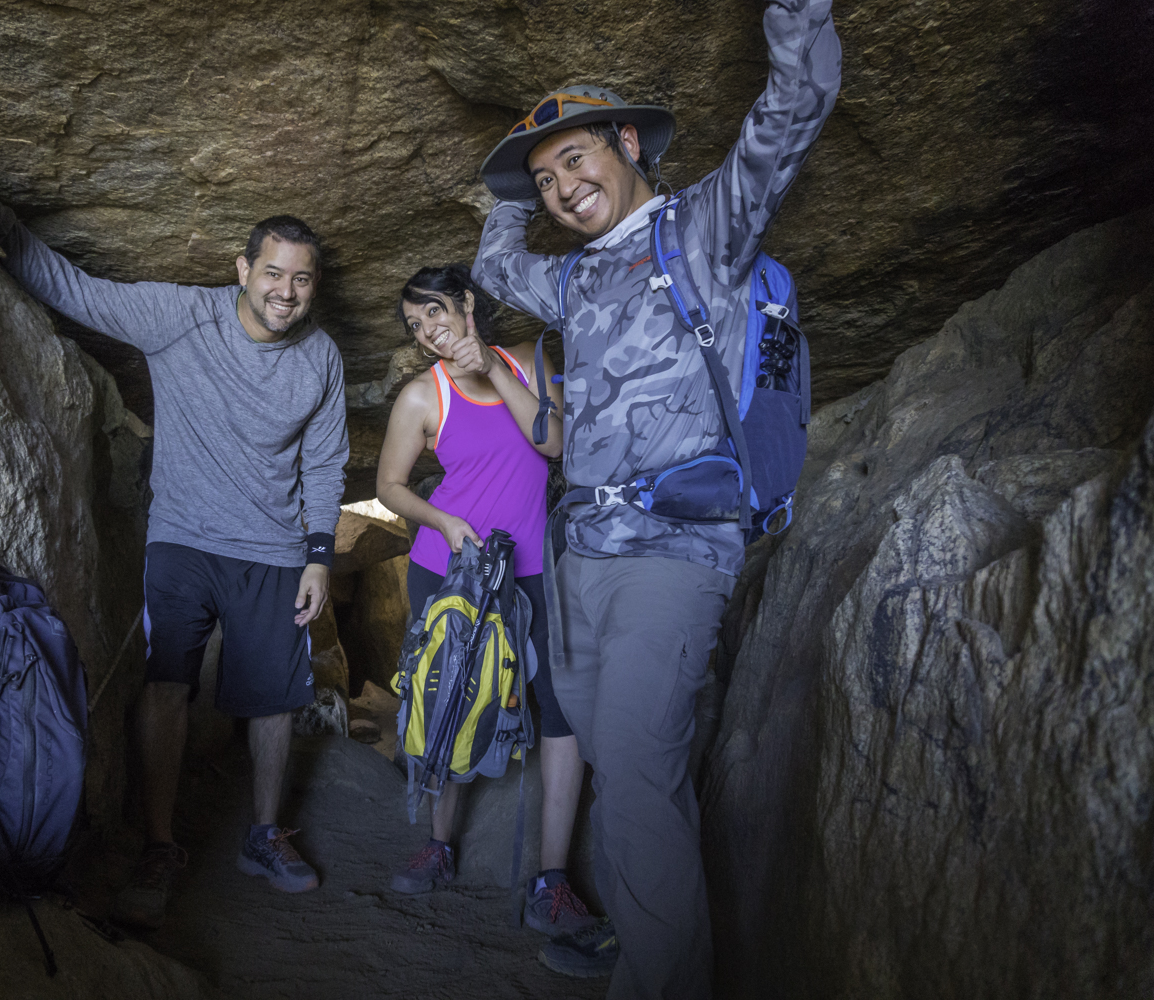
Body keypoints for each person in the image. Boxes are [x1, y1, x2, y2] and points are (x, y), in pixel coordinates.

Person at [470, 1, 841, 994]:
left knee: (634, 772)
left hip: (674, 553)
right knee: (615, 759)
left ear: (628, 144)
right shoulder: (576, 280)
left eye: (577, 159)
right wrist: (507, 182)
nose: (561, 187)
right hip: (583, 562)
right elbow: (493, 266)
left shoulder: (702, 229)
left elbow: (796, 104)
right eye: (546, 180)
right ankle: (650, 948)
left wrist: (799, 15)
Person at [0, 143, 350, 928]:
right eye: (273, 273)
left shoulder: (323, 358)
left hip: (272, 549)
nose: (287, 291)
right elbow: (78, 290)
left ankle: (264, 835)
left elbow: (328, 460)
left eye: (302, 279)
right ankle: (161, 843)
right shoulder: (182, 316)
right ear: (243, 270)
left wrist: (318, 556)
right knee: (167, 681)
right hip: (184, 536)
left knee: (274, 698)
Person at [373, 264, 598, 939]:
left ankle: (552, 880)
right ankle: (440, 845)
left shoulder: (530, 359)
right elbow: (389, 485)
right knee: (450, 699)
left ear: (469, 303)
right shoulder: (422, 396)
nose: (429, 333)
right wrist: (443, 524)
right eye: (416, 327)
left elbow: (557, 445)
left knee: (561, 706)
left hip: (532, 571)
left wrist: (496, 372)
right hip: (450, 568)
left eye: (436, 313)